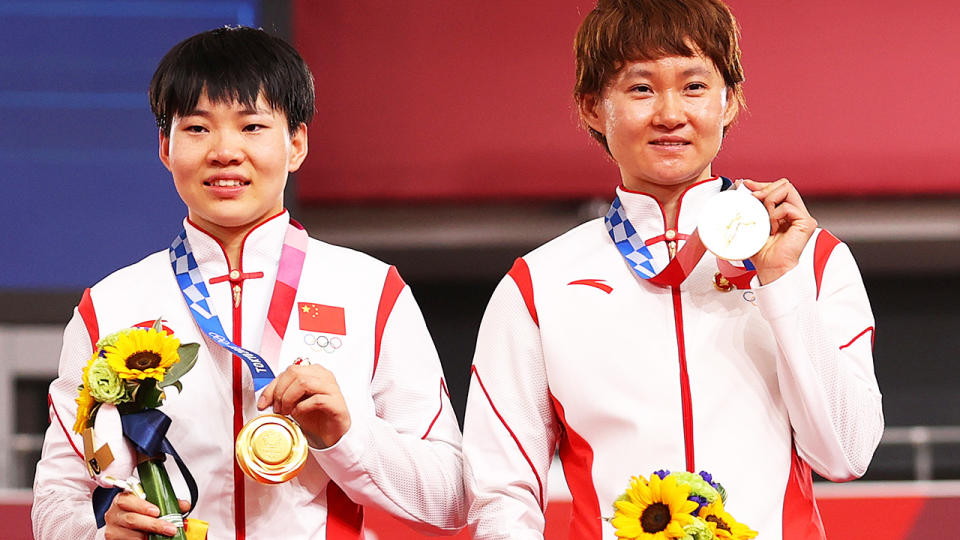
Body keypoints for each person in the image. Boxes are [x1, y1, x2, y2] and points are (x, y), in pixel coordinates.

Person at [461, 1, 883, 539]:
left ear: (730, 102)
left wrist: (782, 285)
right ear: (594, 108)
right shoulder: (538, 285)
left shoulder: (811, 258)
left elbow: (846, 454)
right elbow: (501, 492)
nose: (669, 114)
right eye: (640, 89)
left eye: (694, 86)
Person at [32, 26, 465, 540]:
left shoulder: (371, 291)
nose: (224, 151)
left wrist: (348, 436)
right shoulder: (110, 305)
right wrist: (100, 535)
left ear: (297, 142)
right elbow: (57, 498)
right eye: (196, 128)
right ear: (165, 148)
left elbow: (450, 496)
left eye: (252, 126)